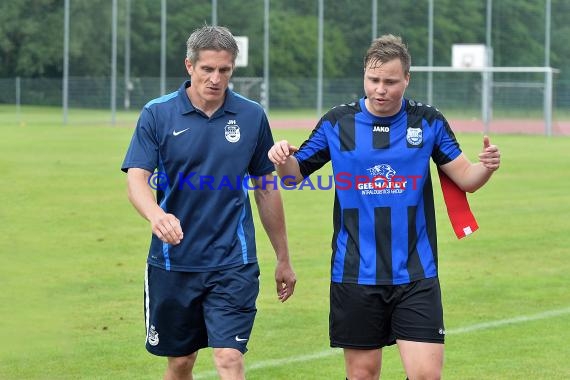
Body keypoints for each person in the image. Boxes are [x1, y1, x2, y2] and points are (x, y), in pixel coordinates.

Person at [268, 34, 500, 380]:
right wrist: (281, 158)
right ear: (364, 76)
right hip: (355, 273)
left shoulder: (428, 121)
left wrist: (487, 166)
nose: (381, 89)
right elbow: (293, 175)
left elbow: (466, 177)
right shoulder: (337, 122)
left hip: (415, 272)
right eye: (373, 80)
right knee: (363, 375)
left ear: (407, 78)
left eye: (390, 82)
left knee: (426, 375)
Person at [121, 25, 296, 380]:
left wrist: (283, 258)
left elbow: (266, 188)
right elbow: (136, 178)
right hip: (173, 262)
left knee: (229, 359)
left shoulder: (251, 116)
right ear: (189, 66)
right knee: (181, 363)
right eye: (207, 69)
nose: (216, 79)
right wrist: (156, 215)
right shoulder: (158, 114)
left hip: (233, 262)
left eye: (225, 70)